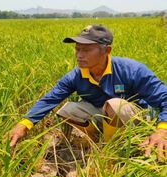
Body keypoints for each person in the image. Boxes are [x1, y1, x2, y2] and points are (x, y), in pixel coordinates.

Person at [10, 24, 167, 161]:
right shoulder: (76, 75)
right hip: (103, 114)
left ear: (107, 50)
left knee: (114, 105)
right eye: (77, 49)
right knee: (68, 110)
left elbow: (165, 98)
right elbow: (50, 99)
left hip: (135, 116)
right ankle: (97, 141)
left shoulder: (132, 70)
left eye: (86, 50)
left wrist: (162, 129)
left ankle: (111, 150)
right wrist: (24, 124)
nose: (79, 55)